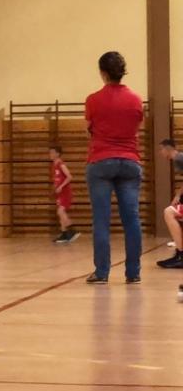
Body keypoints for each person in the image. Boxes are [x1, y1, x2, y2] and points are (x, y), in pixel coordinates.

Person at [84, 51, 143, 284]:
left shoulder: (93, 100)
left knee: (101, 219)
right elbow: (136, 127)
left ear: (103, 73)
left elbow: (88, 129)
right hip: (129, 161)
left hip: (101, 161)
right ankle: (133, 272)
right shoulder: (136, 99)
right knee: (132, 219)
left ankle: (102, 272)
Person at [154, 140, 183, 268]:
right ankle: (179, 253)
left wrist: (178, 195)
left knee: (169, 212)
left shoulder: (179, 158)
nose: (160, 153)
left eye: (161, 150)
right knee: (176, 215)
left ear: (168, 149)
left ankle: (181, 255)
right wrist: (178, 195)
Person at [49, 146, 79, 244]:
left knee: (60, 211)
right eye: (50, 153)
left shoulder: (61, 164)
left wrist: (61, 186)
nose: (50, 154)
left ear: (58, 154)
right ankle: (64, 234)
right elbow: (57, 179)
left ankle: (72, 230)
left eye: (53, 152)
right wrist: (55, 188)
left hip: (65, 192)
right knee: (60, 213)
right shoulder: (53, 165)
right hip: (59, 193)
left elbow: (69, 177)